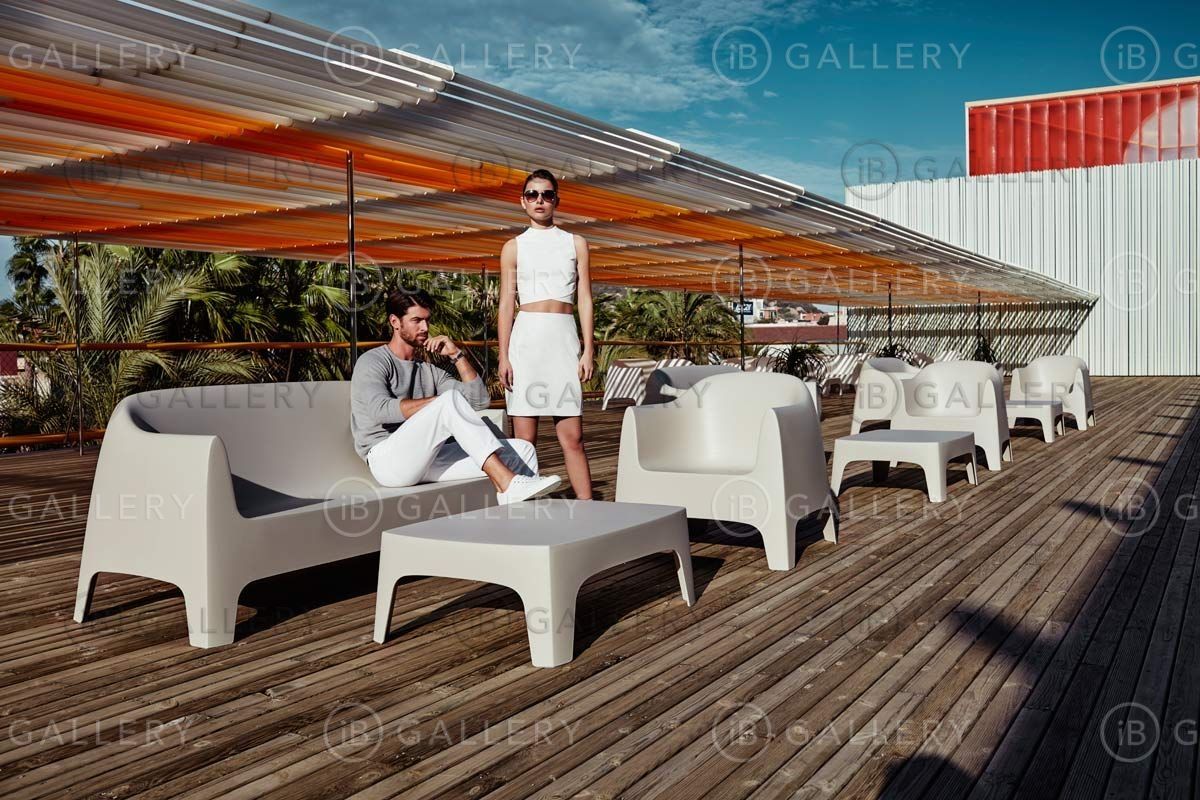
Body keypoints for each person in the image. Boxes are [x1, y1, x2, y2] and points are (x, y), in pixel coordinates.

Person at [351, 287, 561, 505]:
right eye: (416, 320)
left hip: (428, 459)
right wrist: (438, 403)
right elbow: (380, 410)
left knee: (523, 451)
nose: (425, 328)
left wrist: (456, 355)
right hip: (388, 462)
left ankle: (522, 517)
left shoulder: (428, 370)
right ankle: (506, 482)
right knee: (448, 400)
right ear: (395, 322)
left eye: (427, 320)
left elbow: (479, 400)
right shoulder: (373, 361)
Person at [498, 169, 595, 499]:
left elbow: (585, 298)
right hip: (525, 345)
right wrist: (503, 356)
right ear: (522, 201)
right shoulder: (513, 247)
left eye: (547, 194)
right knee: (524, 442)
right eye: (532, 194)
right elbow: (506, 305)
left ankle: (589, 510)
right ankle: (525, 513)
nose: (539, 200)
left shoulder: (575, 243)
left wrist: (588, 349)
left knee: (573, 438)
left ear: (556, 200)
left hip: (564, 343)